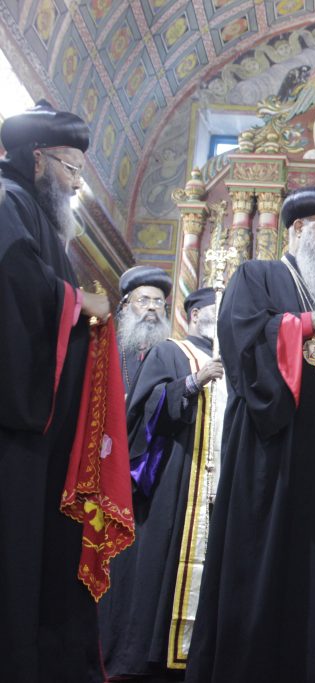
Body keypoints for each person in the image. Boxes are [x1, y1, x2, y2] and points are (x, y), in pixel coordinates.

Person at [185, 187, 315, 682]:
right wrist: (303, 323)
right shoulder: (259, 276)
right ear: (296, 230)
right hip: (273, 459)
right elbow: (242, 343)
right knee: (270, 572)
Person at [0, 100, 117, 682]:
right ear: (40, 159)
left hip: (40, 435)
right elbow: (13, 280)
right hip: (13, 425)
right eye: (71, 168)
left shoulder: (38, 216)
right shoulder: (6, 199)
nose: (76, 184)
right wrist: (79, 303)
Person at [100, 287, 225, 677]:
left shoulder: (235, 362)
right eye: (213, 311)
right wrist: (191, 383)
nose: (220, 318)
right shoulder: (171, 352)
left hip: (219, 484)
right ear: (193, 315)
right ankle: (151, 656)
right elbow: (144, 411)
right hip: (177, 478)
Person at [117, 264, 173, 397]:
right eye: (143, 301)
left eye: (158, 302)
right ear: (125, 307)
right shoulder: (110, 348)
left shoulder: (172, 354)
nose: (152, 307)